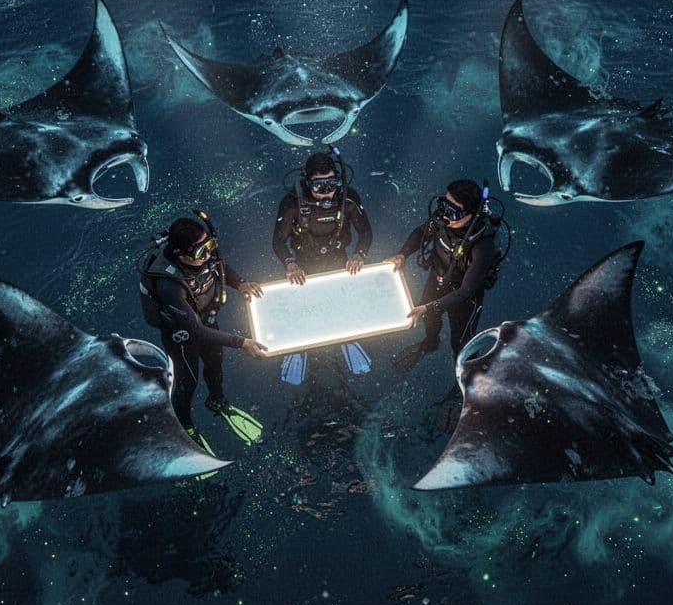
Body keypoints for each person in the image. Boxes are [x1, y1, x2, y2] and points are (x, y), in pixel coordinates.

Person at [139, 211, 268, 456]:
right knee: (188, 381)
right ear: (180, 254)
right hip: (182, 334)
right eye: (200, 252)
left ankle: (217, 401)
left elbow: (220, 267)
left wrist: (240, 283)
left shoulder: (203, 256)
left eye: (209, 246)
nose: (207, 255)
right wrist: (242, 342)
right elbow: (194, 330)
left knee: (215, 364)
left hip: (206, 320)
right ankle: (185, 426)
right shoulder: (169, 284)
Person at [270, 146, 374, 384]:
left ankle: (346, 338)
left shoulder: (347, 198)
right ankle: (300, 346)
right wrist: (290, 263)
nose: (327, 192)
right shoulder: (292, 204)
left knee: (340, 300)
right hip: (303, 263)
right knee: (304, 306)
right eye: (319, 186)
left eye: (331, 184)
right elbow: (278, 242)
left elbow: (365, 232)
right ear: (308, 183)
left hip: (339, 257)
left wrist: (359, 254)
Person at [386, 179, 505, 380]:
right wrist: (402, 254)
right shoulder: (442, 219)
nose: (444, 214)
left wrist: (430, 306)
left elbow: (466, 291)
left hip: (464, 297)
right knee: (429, 318)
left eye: (453, 211)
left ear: (470, 214)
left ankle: (466, 379)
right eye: (444, 205)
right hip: (438, 278)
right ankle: (430, 343)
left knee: (461, 343)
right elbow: (420, 232)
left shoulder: (482, 245)